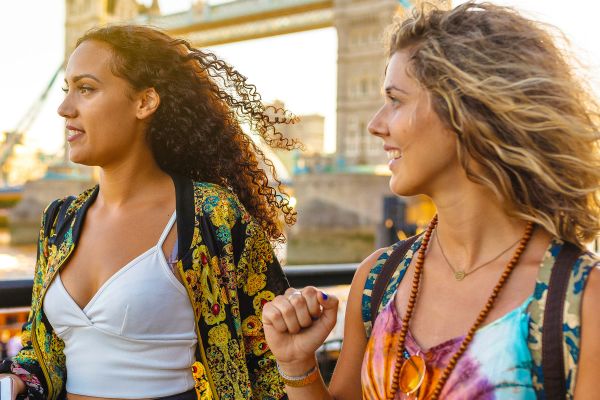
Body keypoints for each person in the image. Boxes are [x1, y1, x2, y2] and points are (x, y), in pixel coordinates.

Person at [262, 2, 600, 399]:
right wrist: (297, 365)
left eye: (396, 100)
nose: (375, 124)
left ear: (468, 110)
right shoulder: (377, 280)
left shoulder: (579, 303)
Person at [0, 24, 297, 400]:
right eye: (67, 89)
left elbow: (269, 359)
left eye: (86, 88)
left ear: (145, 102)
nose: (64, 108)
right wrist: (17, 381)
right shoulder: (59, 220)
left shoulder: (211, 215)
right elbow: (42, 353)